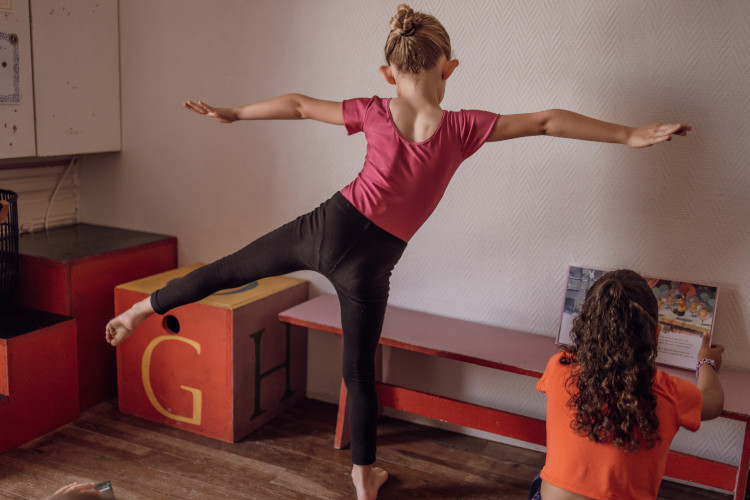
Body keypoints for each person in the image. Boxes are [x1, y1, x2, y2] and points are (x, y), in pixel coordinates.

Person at [105, 5, 691, 499]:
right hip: (372, 263)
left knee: (227, 270)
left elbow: (300, 104)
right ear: (449, 69)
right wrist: (629, 135)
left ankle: (138, 311)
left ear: (388, 73)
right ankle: (364, 476)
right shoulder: (462, 128)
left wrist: (235, 114)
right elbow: (546, 120)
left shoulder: (374, 110)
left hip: (328, 227)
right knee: (358, 372)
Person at [532, 269, 725, 500]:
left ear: (585, 326)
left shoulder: (559, 366)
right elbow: (714, 401)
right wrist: (707, 363)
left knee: (541, 479)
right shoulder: (670, 391)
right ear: (655, 334)